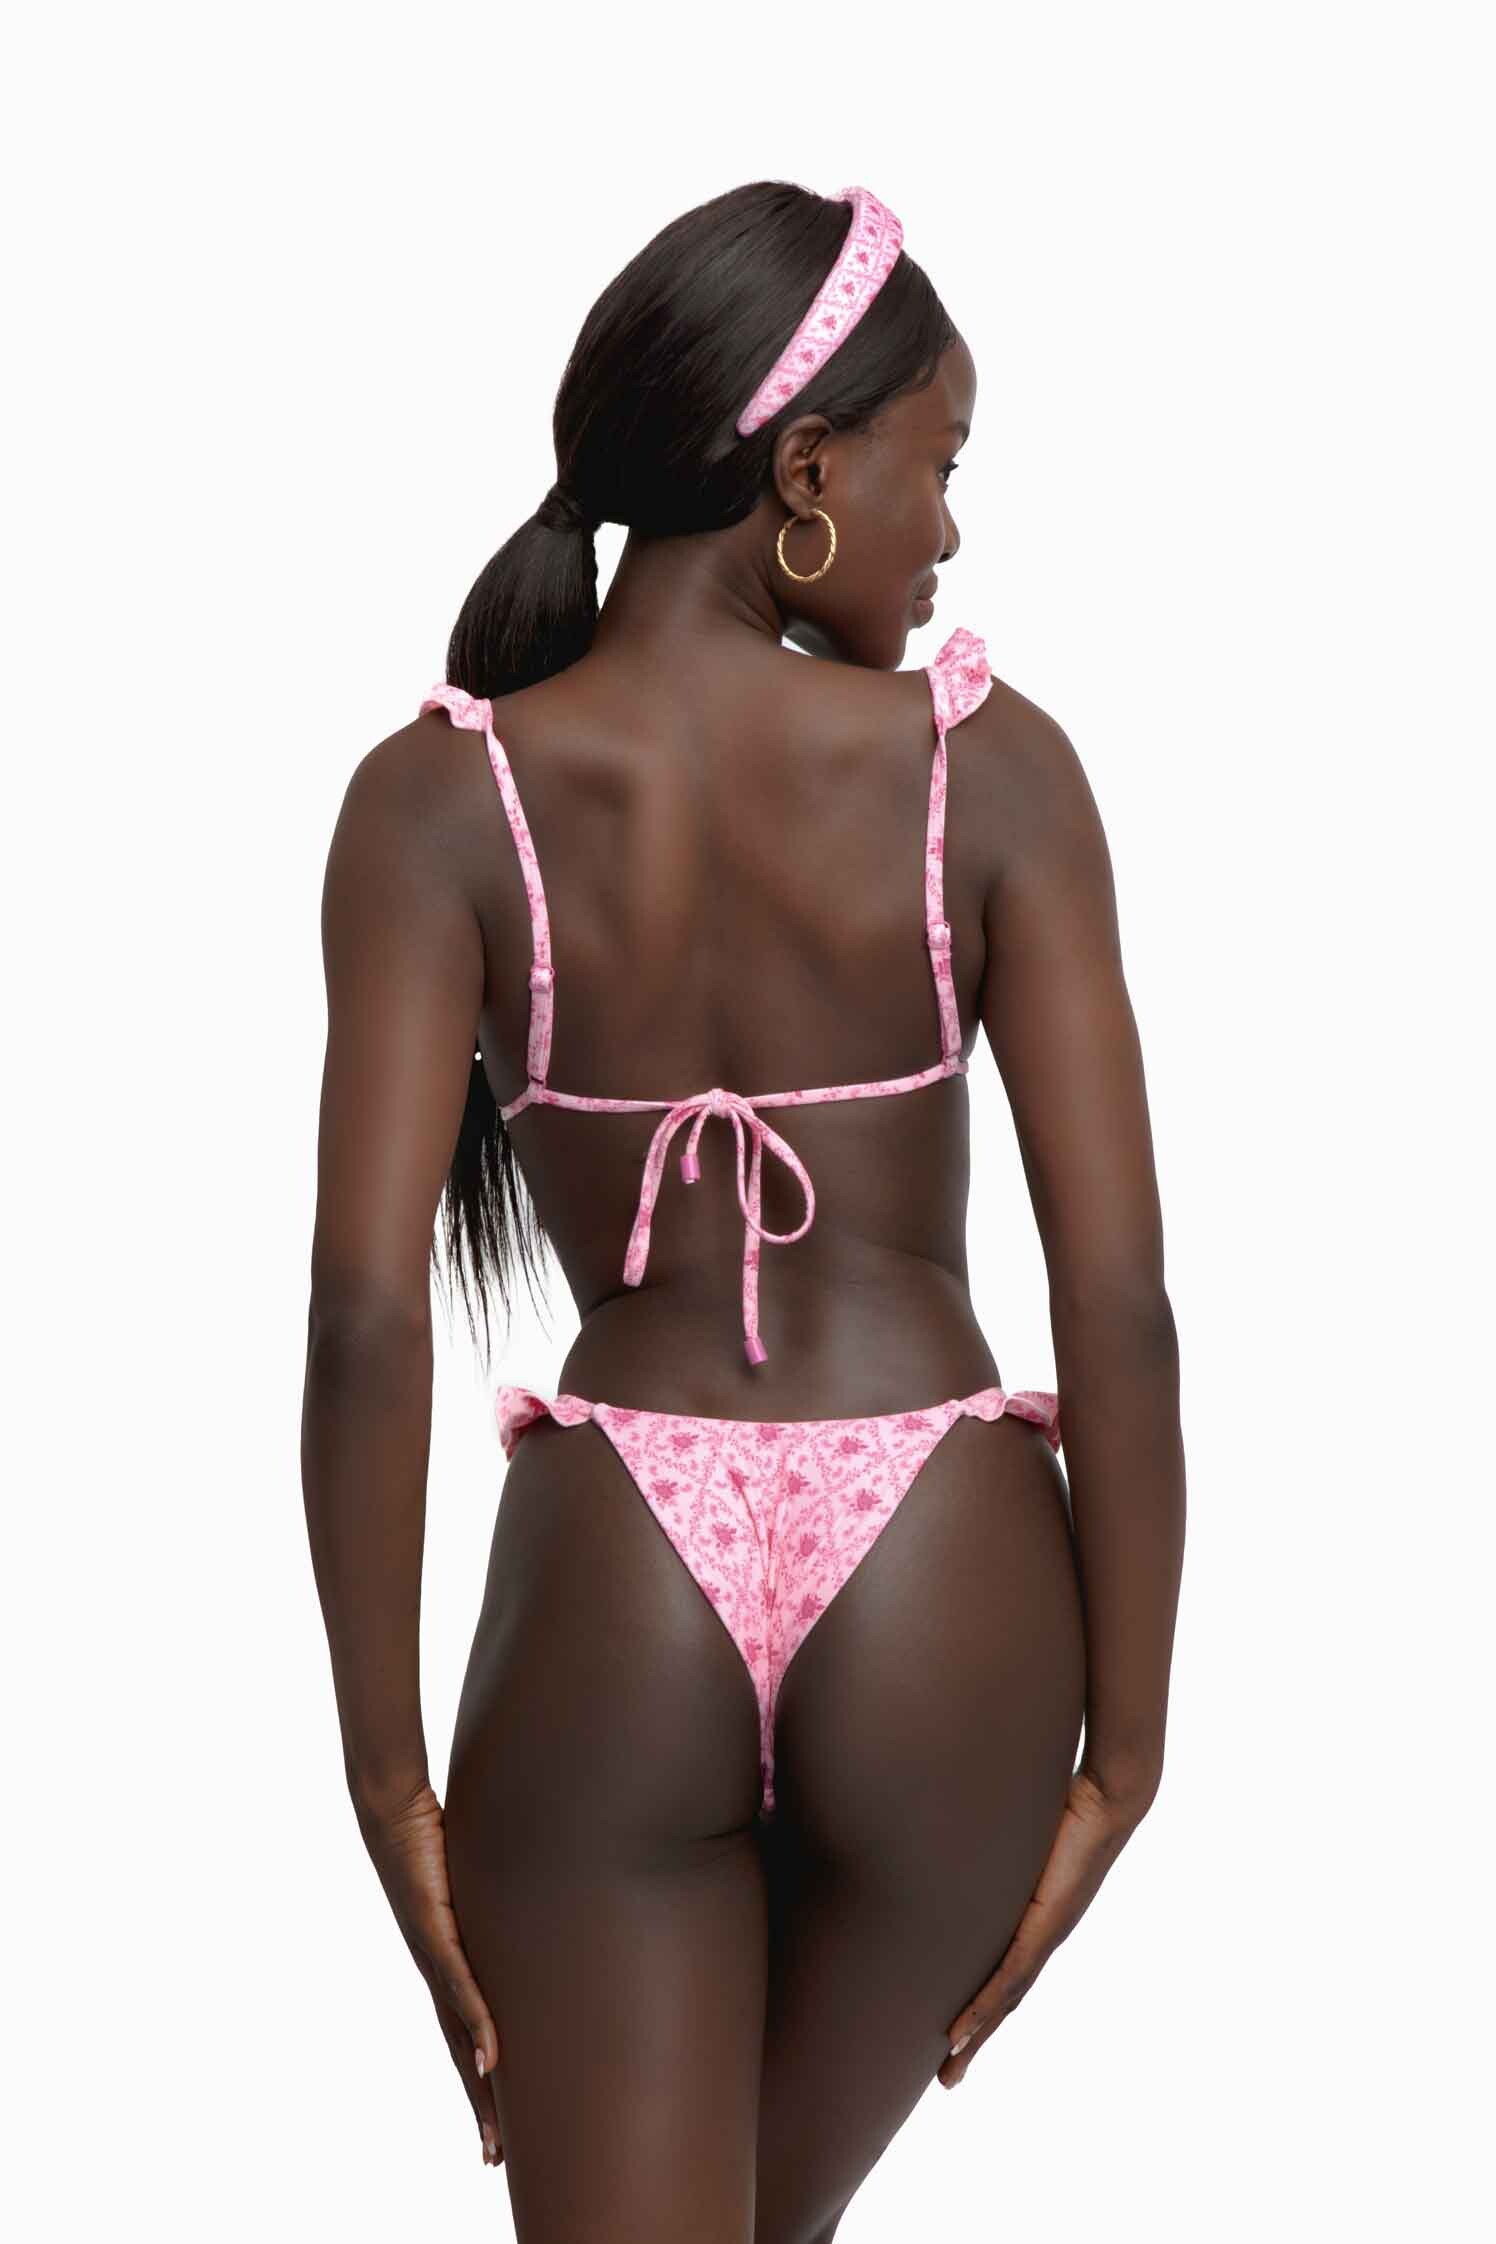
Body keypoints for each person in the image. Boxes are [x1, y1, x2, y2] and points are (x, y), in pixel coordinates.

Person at [302, 179, 1185, 2238]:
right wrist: (1127, 1755)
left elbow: (363, 1316)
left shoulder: (440, 803)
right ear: (805, 475)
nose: (946, 533)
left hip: (615, 1573)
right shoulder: (992, 774)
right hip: (948, 1574)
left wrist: (387, 1783)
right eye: (937, 467)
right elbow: (1121, 1301)